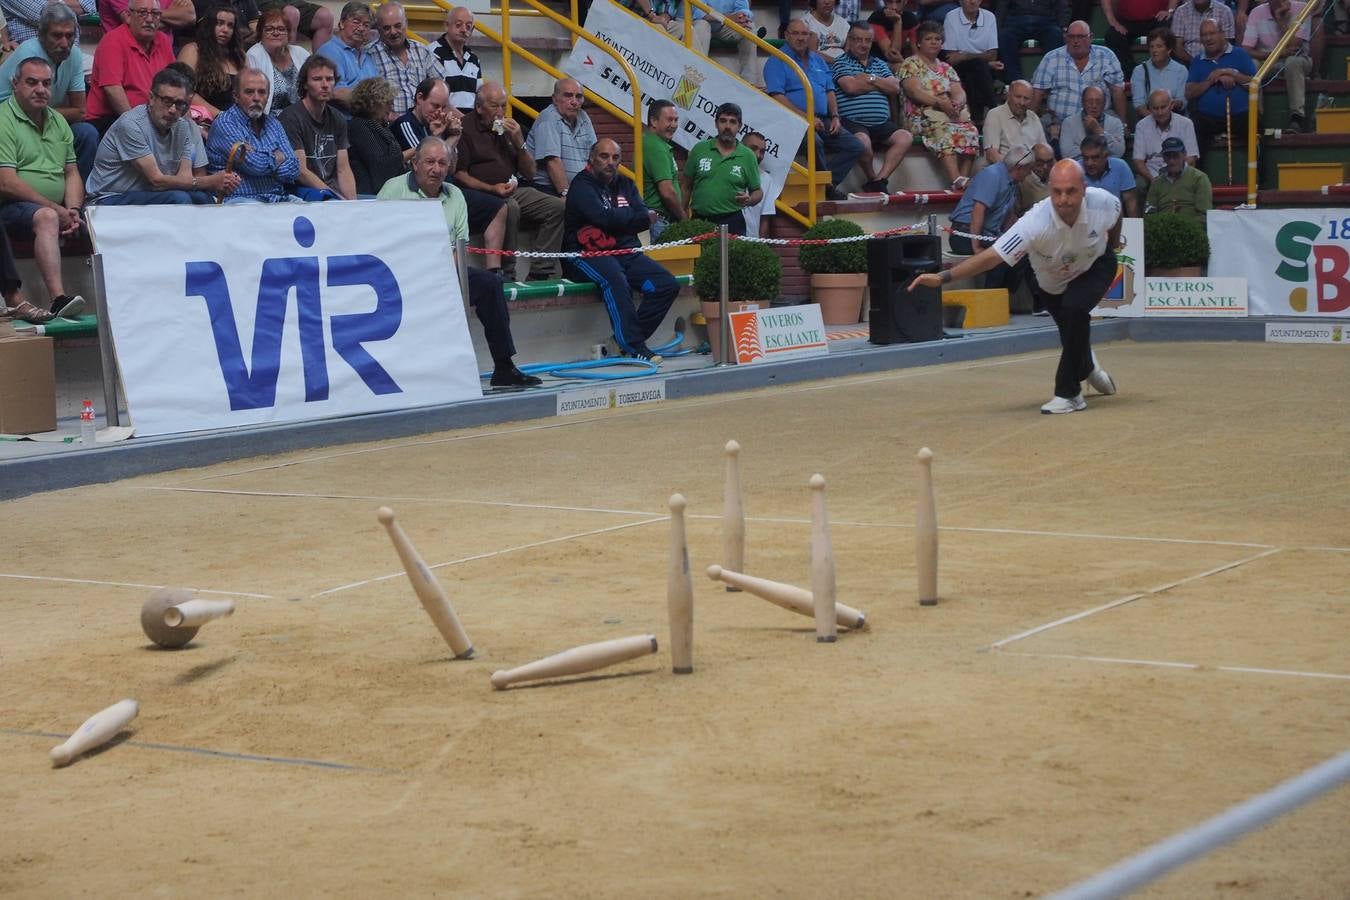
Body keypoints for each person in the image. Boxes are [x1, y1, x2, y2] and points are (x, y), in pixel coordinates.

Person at [910, 159, 1122, 414]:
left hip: (1095, 266)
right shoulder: (1033, 224)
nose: (1064, 199)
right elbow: (991, 258)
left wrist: (1111, 244)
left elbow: (1116, 218)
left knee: (1076, 310)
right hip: (1051, 285)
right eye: (1057, 192)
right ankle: (1089, 369)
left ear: (1084, 188)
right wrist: (944, 277)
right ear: (1049, 189)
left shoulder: (1104, 201)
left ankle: (1069, 394)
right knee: (1071, 332)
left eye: (1071, 191)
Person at [377, 137, 541, 388]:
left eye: (443, 163)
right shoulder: (393, 189)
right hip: (400, 275)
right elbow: (378, 242)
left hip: (442, 272)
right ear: (415, 164)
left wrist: (446, 281)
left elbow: (459, 249)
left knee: (490, 283)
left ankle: (504, 367)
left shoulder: (455, 196)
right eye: (430, 162)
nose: (436, 169)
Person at [563, 138, 678, 364]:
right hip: (584, 254)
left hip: (625, 251)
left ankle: (623, 341)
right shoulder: (582, 184)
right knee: (616, 279)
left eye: (615, 158)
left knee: (667, 285)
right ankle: (634, 346)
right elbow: (602, 218)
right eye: (604, 156)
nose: (610, 163)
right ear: (592, 158)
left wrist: (626, 218)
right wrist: (632, 218)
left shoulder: (626, 183)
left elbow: (644, 221)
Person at [393, 78, 509, 275]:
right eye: (434, 105)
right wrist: (439, 136)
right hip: (419, 194)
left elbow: (450, 168)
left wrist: (453, 137)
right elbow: (425, 161)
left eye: (443, 106)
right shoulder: (406, 124)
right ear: (419, 99)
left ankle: (494, 271)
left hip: (446, 189)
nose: (439, 112)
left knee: (498, 206)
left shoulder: (437, 125)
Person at [0, 57, 85, 319]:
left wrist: (71, 209)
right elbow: (6, 181)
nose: (40, 89)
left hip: (48, 207)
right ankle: (58, 298)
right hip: (9, 207)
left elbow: (71, 172)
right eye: (32, 82)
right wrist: (54, 209)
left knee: (87, 219)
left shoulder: (58, 121)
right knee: (47, 217)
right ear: (15, 84)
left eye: (47, 83)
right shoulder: (4, 119)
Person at [455, 82, 563, 281]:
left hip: (512, 188)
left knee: (557, 207)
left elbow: (530, 173)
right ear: (479, 107)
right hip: (481, 193)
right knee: (510, 207)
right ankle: (507, 271)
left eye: (504, 106)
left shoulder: (510, 129)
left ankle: (541, 270)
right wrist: (492, 188)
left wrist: (519, 142)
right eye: (494, 106)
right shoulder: (465, 129)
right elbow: (460, 175)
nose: (500, 112)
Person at [86, 66, 239, 203]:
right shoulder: (131, 124)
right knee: (179, 199)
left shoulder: (183, 127)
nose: (173, 109)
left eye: (179, 104)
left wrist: (223, 181)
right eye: (167, 101)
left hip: (148, 194)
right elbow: (156, 180)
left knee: (202, 199)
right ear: (151, 98)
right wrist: (211, 181)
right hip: (108, 197)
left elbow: (185, 179)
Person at [763, 17, 862, 201]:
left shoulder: (818, 60)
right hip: (792, 121)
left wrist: (835, 116)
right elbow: (778, 97)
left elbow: (829, 90)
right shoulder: (777, 60)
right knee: (813, 141)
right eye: (796, 33)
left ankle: (825, 185)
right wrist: (806, 118)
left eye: (805, 34)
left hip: (823, 119)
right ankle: (826, 187)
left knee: (855, 146)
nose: (801, 38)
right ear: (786, 35)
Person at [0, 4, 98, 179]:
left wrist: (44, 114)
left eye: (69, 36)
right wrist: (46, 114)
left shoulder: (73, 55)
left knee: (86, 133)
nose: (64, 43)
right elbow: (25, 111)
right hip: (12, 124)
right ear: (42, 35)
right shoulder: (29, 54)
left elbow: (80, 111)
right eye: (57, 35)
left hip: (46, 122)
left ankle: (82, 197)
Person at [898, 21, 980, 191]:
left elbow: (959, 91)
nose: (934, 42)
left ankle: (962, 180)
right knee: (941, 128)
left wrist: (958, 102)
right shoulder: (910, 64)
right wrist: (940, 102)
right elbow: (914, 92)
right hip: (919, 116)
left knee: (971, 130)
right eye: (929, 39)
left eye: (937, 39)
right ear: (919, 42)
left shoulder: (946, 67)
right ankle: (956, 178)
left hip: (948, 113)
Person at [833, 23, 914, 193]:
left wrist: (869, 79)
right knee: (863, 142)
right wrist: (880, 84)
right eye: (858, 40)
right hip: (852, 121)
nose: (863, 44)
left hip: (881, 122)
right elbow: (850, 87)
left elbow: (895, 87)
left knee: (905, 137)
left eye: (868, 41)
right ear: (849, 40)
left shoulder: (879, 63)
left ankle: (879, 180)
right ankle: (872, 179)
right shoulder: (840, 62)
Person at [946, 142, 1036, 289]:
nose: (1029, 174)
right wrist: (977, 247)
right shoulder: (992, 174)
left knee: (1021, 251)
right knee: (1000, 254)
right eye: (1029, 170)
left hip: (988, 235)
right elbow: (978, 211)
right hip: (964, 234)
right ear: (1019, 168)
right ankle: (989, 300)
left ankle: (1003, 297)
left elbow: (1009, 217)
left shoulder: (1012, 182)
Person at [205, 67, 300, 201]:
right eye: (249, 92)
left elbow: (293, 169)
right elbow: (254, 165)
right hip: (240, 201)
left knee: (311, 212)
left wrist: (258, 155)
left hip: (277, 198)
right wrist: (278, 157)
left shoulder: (274, 124)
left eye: (262, 92)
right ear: (236, 96)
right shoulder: (225, 123)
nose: (256, 98)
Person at [86, 0, 177, 133]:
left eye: (156, 14)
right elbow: (113, 90)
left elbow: (176, 86)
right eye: (143, 13)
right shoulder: (113, 41)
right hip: (111, 119)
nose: (150, 19)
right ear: (128, 16)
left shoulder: (163, 40)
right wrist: (138, 127)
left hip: (154, 118)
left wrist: (189, 126)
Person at [1032, 20, 1128, 145]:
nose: (1075, 41)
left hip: (1099, 118)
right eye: (1071, 37)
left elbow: (1117, 92)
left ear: (1091, 37)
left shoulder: (1106, 56)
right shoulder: (1051, 58)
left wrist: (1124, 123)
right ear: (1066, 37)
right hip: (1059, 120)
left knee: (1116, 126)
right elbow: (1037, 94)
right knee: (1039, 126)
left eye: (1081, 37)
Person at [278, 55, 353, 199]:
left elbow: (343, 169)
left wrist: (352, 204)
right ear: (305, 84)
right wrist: (337, 198)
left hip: (331, 190)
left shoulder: (338, 118)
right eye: (317, 79)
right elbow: (300, 171)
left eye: (329, 79)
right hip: (301, 191)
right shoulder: (290, 118)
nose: (325, 84)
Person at [685, 101, 761, 235]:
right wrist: (681, 219)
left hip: (733, 221)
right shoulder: (699, 150)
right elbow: (686, 186)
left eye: (732, 122)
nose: (727, 126)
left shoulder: (748, 156)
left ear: (739, 126)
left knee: (733, 257)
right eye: (723, 121)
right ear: (715, 123)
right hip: (700, 221)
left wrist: (749, 200)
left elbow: (758, 192)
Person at [1242, 0, 1313, 133]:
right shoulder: (1257, 12)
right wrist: (1278, 54)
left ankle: (1297, 117)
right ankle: (1256, 117)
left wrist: (1281, 21)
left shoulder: (1302, 9)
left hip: (1299, 59)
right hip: (1268, 61)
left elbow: (1294, 46)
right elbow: (1246, 50)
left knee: (1293, 62)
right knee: (1252, 64)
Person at [1185, 18, 1255, 151]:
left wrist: (1230, 73)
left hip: (1240, 116)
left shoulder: (1240, 54)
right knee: (1194, 127)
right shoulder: (1197, 61)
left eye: (1212, 33)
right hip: (1208, 118)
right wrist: (1211, 80)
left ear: (1222, 34)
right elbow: (1189, 92)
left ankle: (1258, 172)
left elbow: (1254, 84)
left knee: (1256, 128)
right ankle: (1197, 172)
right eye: (1204, 35)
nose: (1208, 38)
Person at [524, 77, 597, 197]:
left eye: (578, 96)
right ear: (555, 99)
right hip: (545, 189)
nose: (574, 101)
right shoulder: (549, 118)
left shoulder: (583, 117)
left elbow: (594, 157)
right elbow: (553, 162)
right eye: (568, 95)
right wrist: (566, 194)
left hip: (578, 187)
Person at [177, 4, 245, 124]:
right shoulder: (193, 50)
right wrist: (221, 117)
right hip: (201, 121)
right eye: (219, 23)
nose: (225, 29)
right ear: (209, 25)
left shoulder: (240, 57)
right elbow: (183, 91)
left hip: (237, 122)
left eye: (230, 26)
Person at [368, 2, 438, 117]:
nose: (393, 32)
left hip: (423, 124)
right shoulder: (369, 54)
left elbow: (440, 86)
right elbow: (366, 100)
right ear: (378, 30)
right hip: (389, 127)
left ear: (406, 24)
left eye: (398, 26)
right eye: (386, 28)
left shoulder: (422, 50)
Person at [941, 0, 1001, 121]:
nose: (972, 2)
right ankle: (993, 108)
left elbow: (993, 54)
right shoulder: (951, 17)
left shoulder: (989, 17)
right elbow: (951, 58)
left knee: (975, 70)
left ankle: (976, 117)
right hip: (959, 69)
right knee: (978, 66)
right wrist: (985, 61)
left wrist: (964, 55)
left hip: (979, 70)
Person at [243, 6, 307, 114]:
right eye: (269, 29)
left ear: (288, 33)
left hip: (301, 118)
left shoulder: (301, 53)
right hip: (270, 120)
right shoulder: (254, 55)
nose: (276, 33)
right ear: (260, 33)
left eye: (281, 29)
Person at [315, 1, 377, 110]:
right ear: (342, 23)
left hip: (369, 119)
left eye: (366, 25)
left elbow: (379, 89)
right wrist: (373, 102)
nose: (361, 28)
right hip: (343, 121)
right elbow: (337, 93)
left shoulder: (368, 56)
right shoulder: (330, 51)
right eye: (356, 22)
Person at [346, 76, 402, 195]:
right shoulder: (359, 125)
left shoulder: (382, 126)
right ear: (372, 103)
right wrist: (414, 151)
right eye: (387, 103)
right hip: (368, 194)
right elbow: (381, 165)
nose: (391, 107)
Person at [1131, 88, 1198, 184]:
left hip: (1179, 171)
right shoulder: (1141, 125)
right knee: (1139, 184)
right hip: (1152, 173)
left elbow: (1191, 157)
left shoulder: (1186, 123)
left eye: (1163, 107)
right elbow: (1138, 160)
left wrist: (1177, 177)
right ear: (1149, 108)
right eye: (1155, 108)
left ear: (1171, 105)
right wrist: (1153, 180)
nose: (1160, 112)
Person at [641, 99, 686, 241]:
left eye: (676, 120)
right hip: (659, 222)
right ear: (653, 121)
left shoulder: (655, 143)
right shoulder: (656, 147)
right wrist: (684, 218)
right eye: (669, 120)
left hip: (658, 220)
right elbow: (667, 192)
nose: (673, 125)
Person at [1144, 134, 1211, 222]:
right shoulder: (1157, 183)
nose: (1172, 161)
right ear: (1163, 157)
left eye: (1175, 155)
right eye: (1168, 156)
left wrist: (1182, 227)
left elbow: (1205, 215)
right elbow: (1149, 214)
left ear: (1184, 155)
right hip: (1163, 230)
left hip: (1192, 229)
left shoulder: (1199, 178)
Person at [997, 0, 1066, 84]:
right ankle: (1015, 81)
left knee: (1055, 34)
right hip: (1017, 19)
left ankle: (1052, 80)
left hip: (1045, 20)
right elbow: (1002, 6)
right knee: (1005, 36)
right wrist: (998, 27)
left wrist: (1062, 25)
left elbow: (1061, 5)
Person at [692, 0, 760, 85]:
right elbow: (699, 13)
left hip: (726, 26)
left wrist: (741, 16)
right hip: (706, 22)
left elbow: (744, 9)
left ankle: (750, 83)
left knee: (750, 28)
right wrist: (727, 18)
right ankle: (695, 78)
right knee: (701, 25)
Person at [983, 79, 1046, 164]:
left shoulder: (1033, 117)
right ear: (1008, 95)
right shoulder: (995, 115)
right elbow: (992, 155)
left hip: (1032, 170)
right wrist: (1016, 170)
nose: (1022, 102)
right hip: (1006, 170)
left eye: (1026, 98)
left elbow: (1043, 149)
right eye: (1018, 97)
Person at [1130, 27, 1188, 118]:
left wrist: (1167, 108)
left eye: (1159, 46)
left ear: (1169, 50)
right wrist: (1156, 121)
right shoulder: (1139, 71)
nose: (1154, 51)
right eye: (1151, 46)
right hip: (1149, 120)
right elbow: (1139, 104)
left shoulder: (1181, 70)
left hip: (1175, 119)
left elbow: (1182, 101)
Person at [1101, 0, 1170, 78]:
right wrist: (1112, 20)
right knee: (1113, 35)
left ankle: (1162, 73)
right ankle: (1131, 75)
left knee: (1166, 32)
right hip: (1127, 19)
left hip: (1158, 18)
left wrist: (1170, 10)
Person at [431, 5, 480, 113]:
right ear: (446, 25)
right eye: (458, 25)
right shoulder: (433, 53)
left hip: (468, 123)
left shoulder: (474, 59)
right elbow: (436, 99)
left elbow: (479, 98)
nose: (463, 30)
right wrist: (465, 122)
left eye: (468, 26)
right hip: (442, 121)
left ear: (472, 30)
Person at [1058, 85, 1126, 160]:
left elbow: (1119, 152)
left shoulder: (1115, 123)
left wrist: (1100, 132)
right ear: (1083, 103)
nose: (1094, 105)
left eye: (1098, 102)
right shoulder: (1068, 123)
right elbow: (1067, 154)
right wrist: (1102, 151)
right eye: (1090, 102)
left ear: (1104, 104)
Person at [1079, 133, 1139, 215]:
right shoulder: (1075, 170)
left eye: (1095, 157)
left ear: (1106, 156)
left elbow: (1131, 201)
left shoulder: (1120, 166)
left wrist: (1133, 226)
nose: (1089, 163)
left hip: (1115, 221)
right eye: (1085, 158)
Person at [1170, 0, 1236, 65]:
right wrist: (1197, 63)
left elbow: (1227, 45)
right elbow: (1177, 47)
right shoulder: (1181, 11)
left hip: (1219, 62)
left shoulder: (1225, 11)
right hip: (1188, 63)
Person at [2, 0, 93, 46]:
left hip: (70, 51)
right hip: (33, 58)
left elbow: (88, 6)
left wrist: (54, 3)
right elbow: (47, 15)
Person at [739, 131, 775, 237]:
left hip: (752, 243)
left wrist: (761, 246)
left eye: (762, 151)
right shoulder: (725, 169)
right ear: (741, 147)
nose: (758, 155)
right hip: (725, 241)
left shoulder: (766, 179)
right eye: (753, 149)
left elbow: (765, 219)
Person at [868, 0, 916, 67]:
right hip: (876, 63)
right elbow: (892, 55)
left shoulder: (911, 19)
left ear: (905, 2)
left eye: (898, 2)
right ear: (885, 2)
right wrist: (897, 22)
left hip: (900, 61)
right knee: (897, 66)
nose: (894, 7)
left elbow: (917, 53)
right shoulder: (876, 18)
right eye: (890, 2)